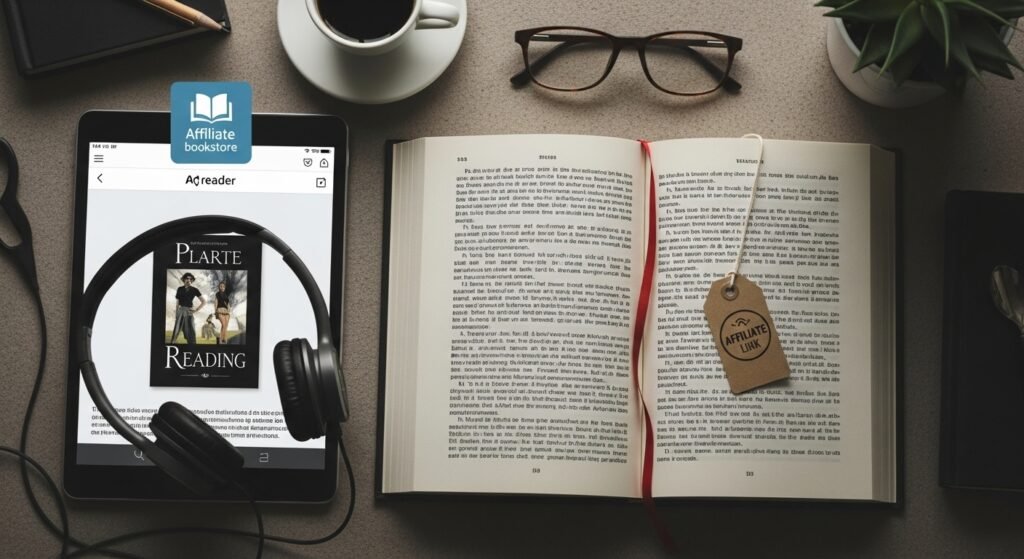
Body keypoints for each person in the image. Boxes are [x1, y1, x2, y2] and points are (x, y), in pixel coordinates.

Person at [169, 273, 205, 344]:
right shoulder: (180, 289)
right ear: (184, 279)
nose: (188, 280)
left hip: (189, 311)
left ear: (192, 280)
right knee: (176, 329)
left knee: (191, 330)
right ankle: (172, 344)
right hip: (181, 310)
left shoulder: (195, 290)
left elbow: (203, 301)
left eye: (190, 279)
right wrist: (177, 313)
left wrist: (196, 310)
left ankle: (192, 346)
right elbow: (177, 302)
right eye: (187, 278)